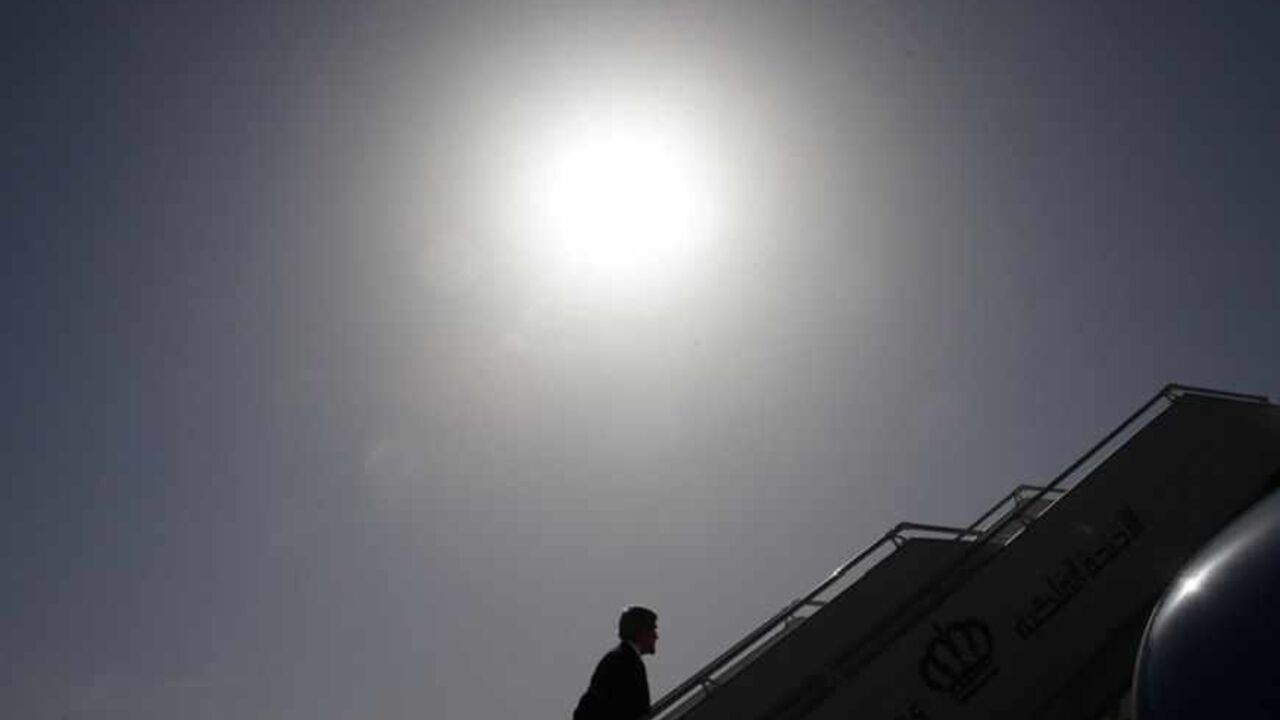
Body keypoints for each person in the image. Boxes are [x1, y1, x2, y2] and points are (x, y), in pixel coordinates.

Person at [573, 606, 659, 720]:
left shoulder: (620, 658)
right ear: (640, 633)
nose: (656, 636)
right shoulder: (626, 661)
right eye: (652, 630)